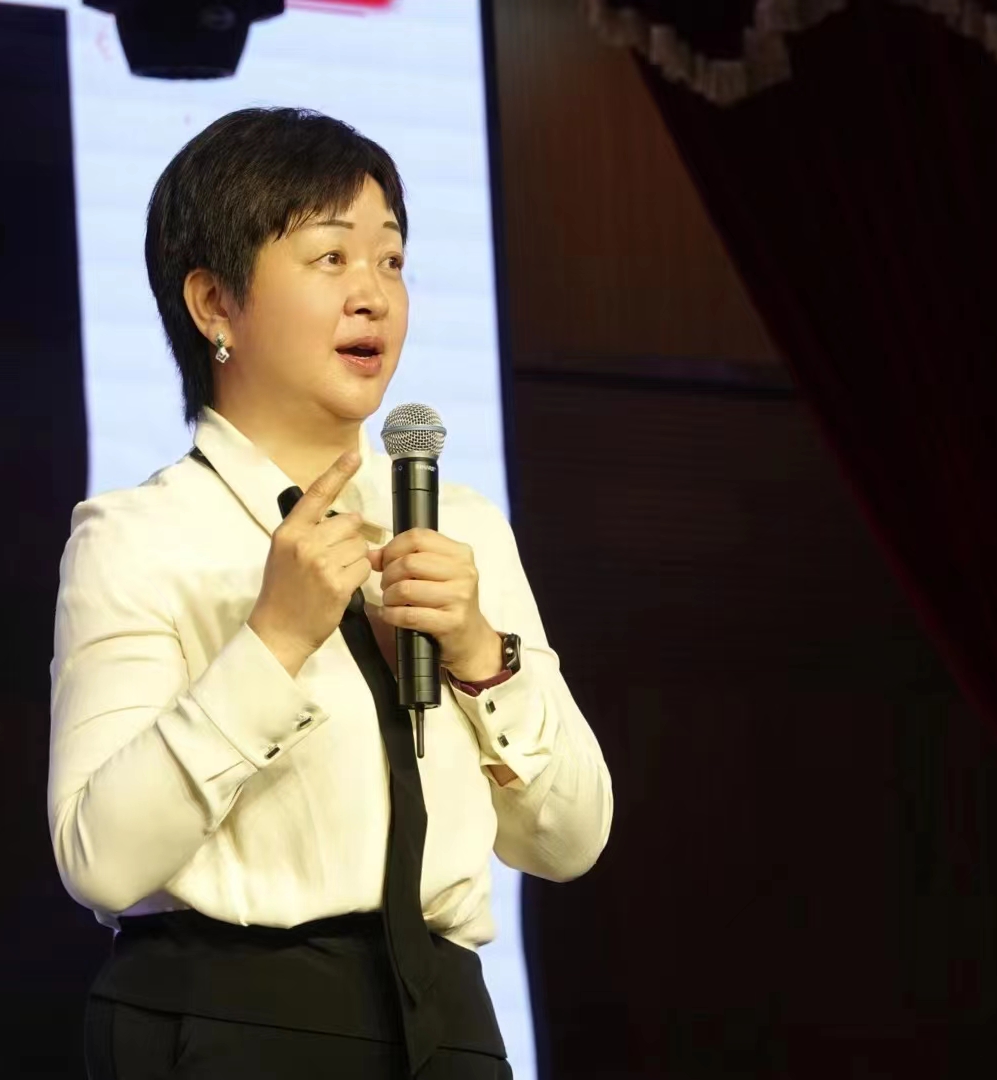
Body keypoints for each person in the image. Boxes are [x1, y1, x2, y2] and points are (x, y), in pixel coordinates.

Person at [49, 107, 613, 1080]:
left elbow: (569, 840)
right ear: (214, 304)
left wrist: (481, 660)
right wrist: (272, 641)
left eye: (390, 260)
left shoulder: (459, 524)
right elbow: (99, 858)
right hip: (232, 1024)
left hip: (449, 1027)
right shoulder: (139, 535)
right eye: (330, 258)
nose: (373, 295)